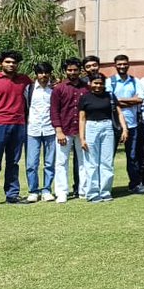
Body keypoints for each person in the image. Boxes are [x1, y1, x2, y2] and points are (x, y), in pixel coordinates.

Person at [0, 51, 33, 208]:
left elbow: (41, 87)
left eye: (14, 62)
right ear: (1, 63)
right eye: (8, 62)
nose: (11, 65)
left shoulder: (24, 80)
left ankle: (12, 195)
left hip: (18, 125)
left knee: (13, 162)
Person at [78, 72, 128, 203]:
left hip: (107, 127)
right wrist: (82, 138)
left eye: (101, 83)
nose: (98, 86)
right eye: (95, 83)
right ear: (90, 83)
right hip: (91, 127)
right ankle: (93, 193)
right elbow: (82, 119)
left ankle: (105, 191)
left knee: (106, 162)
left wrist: (125, 129)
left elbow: (119, 113)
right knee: (91, 162)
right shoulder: (85, 98)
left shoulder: (110, 96)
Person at [107, 54, 144, 194]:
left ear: (128, 64)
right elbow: (109, 100)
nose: (122, 66)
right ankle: (106, 187)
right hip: (113, 124)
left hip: (133, 124)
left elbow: (140, 99)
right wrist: (130, 100)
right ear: (115, 65)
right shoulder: (109, 82)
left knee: (132, 156)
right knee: (108, 156)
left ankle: (134, 184)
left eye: (124, 64)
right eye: (119, 64)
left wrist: (118, 101)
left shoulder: (135, 81)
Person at [50, 58, 88, 203]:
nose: (72, 72)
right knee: (61, 162)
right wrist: (58, 131)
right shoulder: (59, 88)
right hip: (64, 129)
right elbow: (54, 110)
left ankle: (83, 190)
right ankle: (62, 192)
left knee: (84, 161)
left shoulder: (86, 88)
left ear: (80, 70)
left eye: (75, 70)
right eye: (69, 70)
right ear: (65, 71)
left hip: (81, 130)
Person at [24, 61, 57, 203]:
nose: (43, 75)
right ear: (36, 74)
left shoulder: (54, 90)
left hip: (51, 130)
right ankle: (33, 191)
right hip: (33, 130)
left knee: (49, 163)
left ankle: (47, 190)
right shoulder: (29, 89)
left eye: (46, 72)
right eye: (41, 72)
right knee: (32, 163)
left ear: (50, 74)